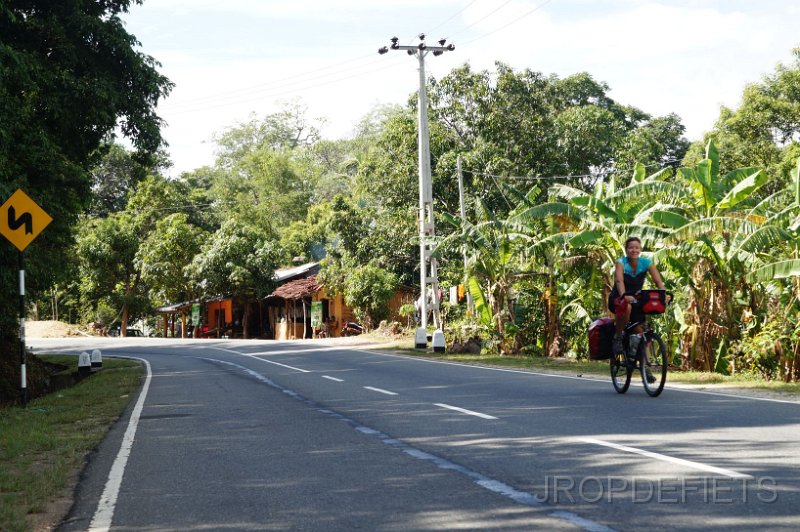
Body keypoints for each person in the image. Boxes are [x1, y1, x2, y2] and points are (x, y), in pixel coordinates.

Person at [608, 237, 666, 355]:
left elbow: (658, 281)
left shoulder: (646, 263)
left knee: (642, 335)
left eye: (636, 248)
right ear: (626, 250)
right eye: (631, 248)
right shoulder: (621, 262)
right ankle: (618, 336)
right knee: (626, 307)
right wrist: (624, 296)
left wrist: (663, 294)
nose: (634, 250)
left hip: (635, 299)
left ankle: (646, 369)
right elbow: (619, 281)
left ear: (640, 249)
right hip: (618, 297)